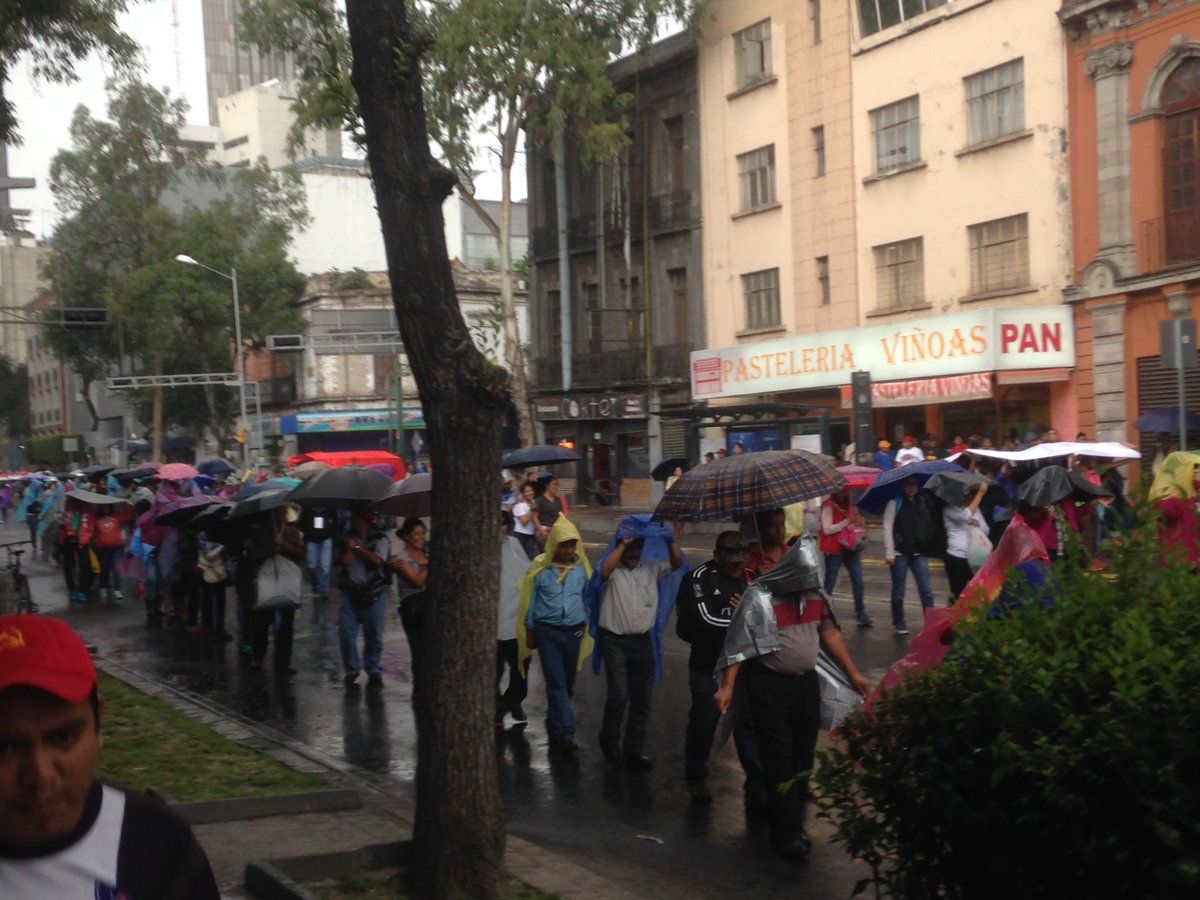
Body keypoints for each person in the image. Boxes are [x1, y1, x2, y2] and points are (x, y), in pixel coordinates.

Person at [0, 614, 220, 898]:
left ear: (98, 725)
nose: (41, 774)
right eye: (4, 748)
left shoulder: (156, 844)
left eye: (62, 738)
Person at [714, 539, 871, 861]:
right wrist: (728, 685)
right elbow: (741, 644)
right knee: (779, 759)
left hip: (805, 687)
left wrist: (853, 672)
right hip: (769, 687)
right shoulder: (760, 598)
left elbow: (829, 634)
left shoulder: (816, 596)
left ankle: (793, 823)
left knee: (802, 759)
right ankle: (784, 833)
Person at [675, 531, 764, 805]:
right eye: (731, 561)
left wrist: (750, 614)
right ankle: (696, 774)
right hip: (707, 664)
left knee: (747, 723)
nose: (737, 566)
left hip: (743, 665)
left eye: (741, 560)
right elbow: (705, 620)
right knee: (706, 718)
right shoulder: (699, 578)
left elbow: (766, 619)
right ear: (717, 556)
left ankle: (757, 781)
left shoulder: (751, 578)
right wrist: (743, 617)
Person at [589, 523, 684, 770]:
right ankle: (609, 740)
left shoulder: (650, 568)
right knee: (619, 695)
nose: (634, 552)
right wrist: (623, 543)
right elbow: (603, 574)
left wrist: (670, 539)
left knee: (642, 699)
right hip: (615, 641)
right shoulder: (611, 568)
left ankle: (635, 748)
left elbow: (676, 563)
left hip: (642, 641)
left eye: (638, 547)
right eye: (631, 547)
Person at [519, 516, 591, 755]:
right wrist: (530, 630)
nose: (568, 550)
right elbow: (530, 601)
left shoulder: (581, 570)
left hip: (573, 632)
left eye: (572, 545)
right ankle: (566, 731)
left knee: (566, 683)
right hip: (547, 632)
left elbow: (587, 598)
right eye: (563, 545)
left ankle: (555, 716)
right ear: (553, 545)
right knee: (557, 680)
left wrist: (585, 623)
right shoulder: (540, 569)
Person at [245, 505, 306, 674]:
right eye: (279, 513)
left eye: (284, 513)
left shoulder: (292, 533)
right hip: (267, 583)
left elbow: (302, 553)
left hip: (286, 583)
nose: (282, 516)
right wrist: (271, 549)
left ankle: (284, 661)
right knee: (262, 622)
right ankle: (258, 655)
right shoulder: (260, 533)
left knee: (286, 625)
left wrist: (286, 547)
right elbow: (252, 555)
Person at [337, 506, 392, 689]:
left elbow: (378, 560)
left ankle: (373, 668)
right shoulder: (345, 537)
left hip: (373, 592)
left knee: (374, 634)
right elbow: (335, 560)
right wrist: (344, 556)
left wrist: (358, 548)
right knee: (346, 633)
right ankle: (351, 670)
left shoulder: (380, 538)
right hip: (350, 590)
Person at [882, 476, 937, 635]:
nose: (912, 488)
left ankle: (930, 622)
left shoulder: (922, 502)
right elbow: (887, 527)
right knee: (899, 591)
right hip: (900, 553)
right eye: (908, 485)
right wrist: (889, 552)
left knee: (926, 589)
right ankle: (899, 622)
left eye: (914, 485)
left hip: (918, 551)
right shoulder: (895, 503)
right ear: (903, 486)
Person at [497, 511, 530, 728]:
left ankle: (510, 702)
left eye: (501, 524)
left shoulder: (514, 544)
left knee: (521, 669)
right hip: (495, 621)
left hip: (517, 617)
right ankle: (498, 709)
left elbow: (527, 570)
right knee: (495, 671)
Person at [820, 489, 871, 626]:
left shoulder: (852, 506)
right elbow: (827, 529)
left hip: (851, 548)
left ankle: (861, 612)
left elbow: (855, 526)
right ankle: (823, 612)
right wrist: (847, 521)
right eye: (841, 489)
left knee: (858, 580)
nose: (844, 492)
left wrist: (859, 522)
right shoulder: (828, 505)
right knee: (830, 582)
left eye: (846, 489)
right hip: (834, 550)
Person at [393, 517, 429, 691]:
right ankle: (420, 689)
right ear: (407, 537)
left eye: (423, 533)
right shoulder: (401, 558)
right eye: (417, 534)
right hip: (412, 607)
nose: (421, 537)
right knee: (419, 650)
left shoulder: (425, 554)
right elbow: (417, 581)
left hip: (428, 606)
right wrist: (428, 566)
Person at [942, 482, 989, 602]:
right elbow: (965, 516)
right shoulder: (950, 508)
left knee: (979, 589)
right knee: (958, 592)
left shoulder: (975, 509)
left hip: (974, 556)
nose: (968, 496)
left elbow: (986, 529)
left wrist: (977, 524)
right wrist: (981, 494)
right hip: (956, 556)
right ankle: (952, 619)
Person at [196, 533, 230, 640]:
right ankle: (219, 627)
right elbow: (224, 553)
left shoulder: (201, 535)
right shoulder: (219, 534)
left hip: (206, 570)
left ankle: (208, 625)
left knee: (208, 598)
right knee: (219, 600)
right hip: (217, 570)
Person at [748, 508, 788, 575]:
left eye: (782, 524)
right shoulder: (752, 559)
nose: (779, 530)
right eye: (773, 526)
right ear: (760, 529)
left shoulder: (792, 553)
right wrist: (757, 576)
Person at [511, 480, 539, 560]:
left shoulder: (531, 503)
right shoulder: (520, 505)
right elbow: (524, 522)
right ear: (523, 494)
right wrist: (532, 510)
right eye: (527, 491)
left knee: (533, 559)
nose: (530, 493)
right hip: (520, 535)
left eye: (531, 490)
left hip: (531, 535)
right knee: (521, 560)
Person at [534, 476, 565, 546]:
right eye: (554, 484)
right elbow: (534, 517)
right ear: (547, 485)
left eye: (557, 485)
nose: (555, 487)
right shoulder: (540, 500)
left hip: (555, 531)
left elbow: (560, 515)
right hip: (544, 532)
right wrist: (541, 531)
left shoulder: (557, 499)